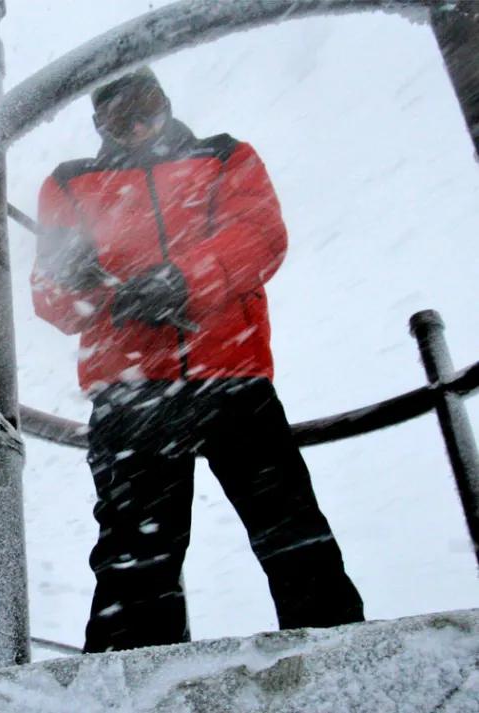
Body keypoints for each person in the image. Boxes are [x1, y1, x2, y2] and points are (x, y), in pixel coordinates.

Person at [30, 67, 365, 654]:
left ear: (165, 100)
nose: (135, 122)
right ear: (97, 122)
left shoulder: (226, 157)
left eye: (145, 105)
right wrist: (97, 292)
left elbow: (259, 236)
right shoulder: (69, 182)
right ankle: (129, 679)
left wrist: (182, 281)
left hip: (231, 381)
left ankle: (337, 654)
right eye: (117, 114)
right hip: (131, 396)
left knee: (289, 529)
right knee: (135, 555)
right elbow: (50, 294)